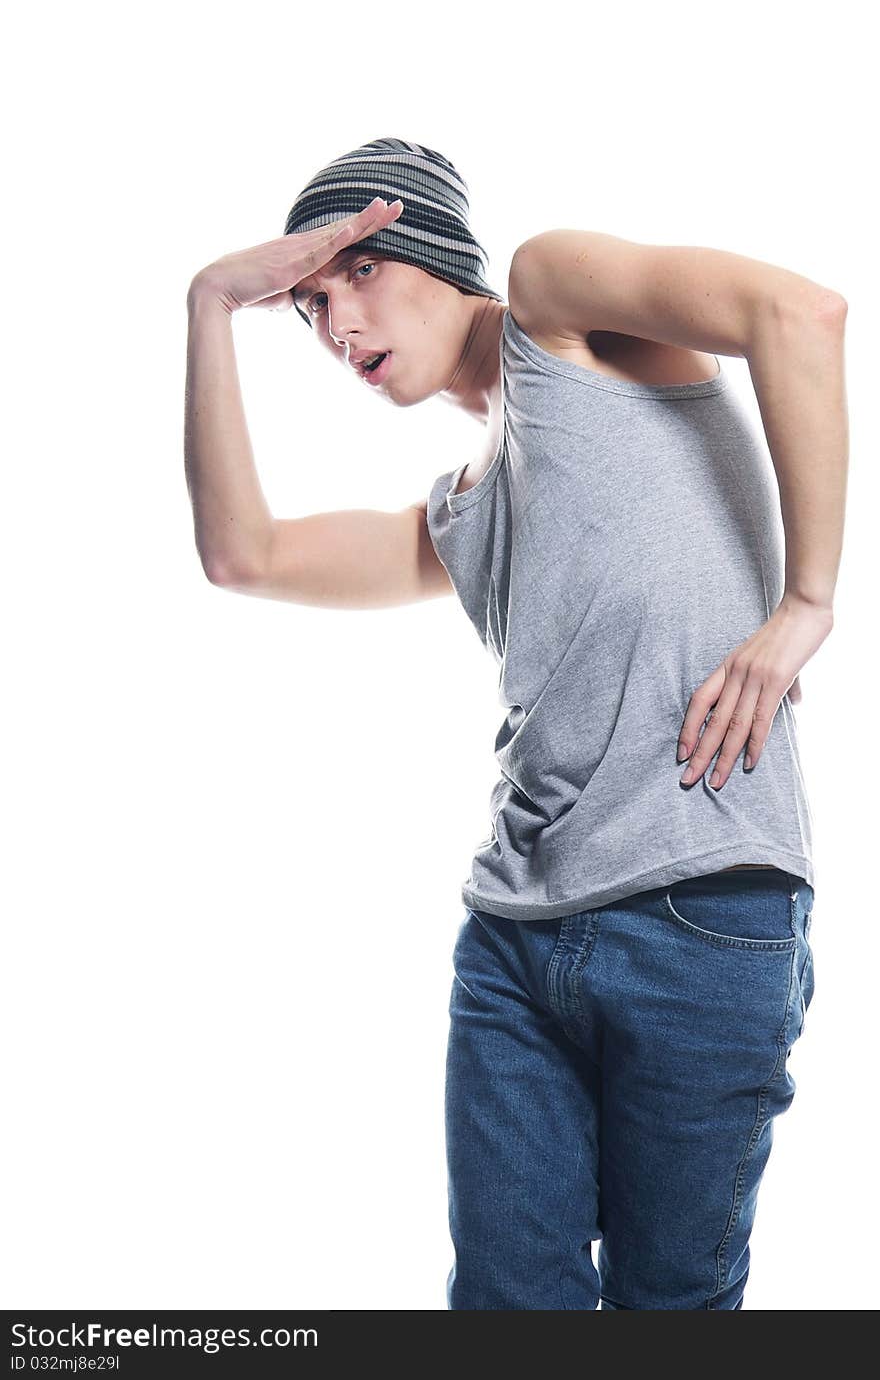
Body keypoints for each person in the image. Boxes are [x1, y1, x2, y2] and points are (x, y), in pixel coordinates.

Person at [184, 138, 847, 1309]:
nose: (337, 324)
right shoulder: (460, 514)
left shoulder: (555, 302)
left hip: (701, 911)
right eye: (308, 305)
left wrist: (806, 603)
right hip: (511, 946)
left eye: (359, 270)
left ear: (438, 253)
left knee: (671, 1309)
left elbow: (798, 311)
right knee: (502, 1312)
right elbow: (244, 554)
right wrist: (210, 301)